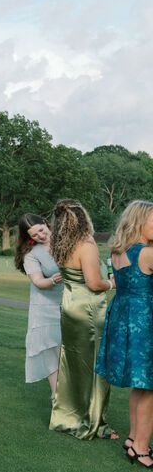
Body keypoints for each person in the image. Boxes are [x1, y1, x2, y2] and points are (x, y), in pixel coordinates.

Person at [48, 198, 117, 440]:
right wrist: (111, 283)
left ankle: (69, 415)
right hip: (88, 307)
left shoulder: (59, 244)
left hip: (69, 305)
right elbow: (94, 283)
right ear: (83, 218)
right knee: (96, 364)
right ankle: (94, 423)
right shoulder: (86, 244)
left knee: (73, 361)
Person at [96, 200, 153, 465]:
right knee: (149, 386)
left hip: (125, 316)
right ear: (140, 221)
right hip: (145, 320)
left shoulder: (120, 252)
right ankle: (141, 447)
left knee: (142, 385)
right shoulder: (147, 253)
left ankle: (133, 438)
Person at [14, 213, 62, 397]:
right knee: (51, 354)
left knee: (67, 353)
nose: (40, 236)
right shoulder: (31, 255)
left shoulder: (65, 242)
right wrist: (54, 280)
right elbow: (38, 282)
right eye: (35, 235)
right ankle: (57, 399)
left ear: (46, 224)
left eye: (41, 230)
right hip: (44, 309)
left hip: (68, 304)